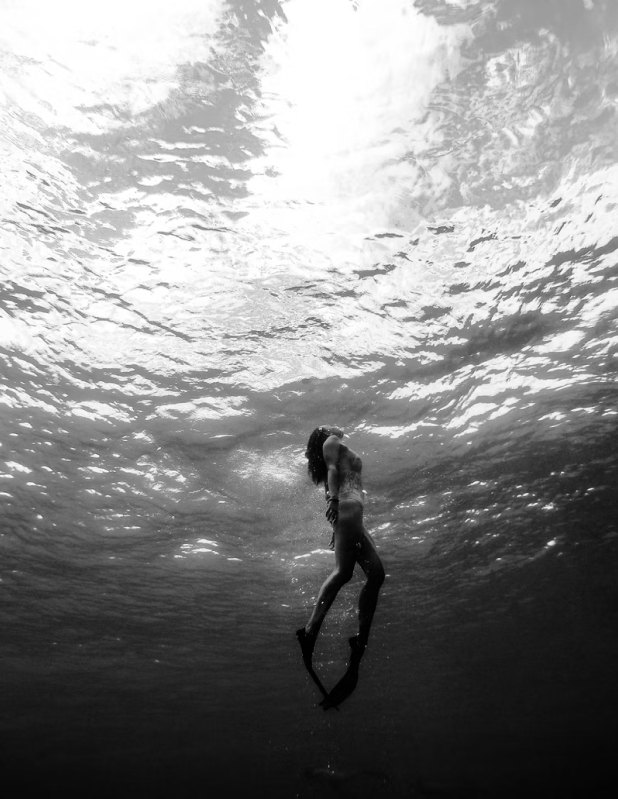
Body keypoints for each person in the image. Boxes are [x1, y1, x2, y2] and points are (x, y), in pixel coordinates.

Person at [296, 425, 385, 668]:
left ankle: (360, 639)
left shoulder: (334, 446)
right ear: (323, 432)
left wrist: (337, 527)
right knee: (343, 572)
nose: (336, 426)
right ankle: (310, 630)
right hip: (346, 506)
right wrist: (334, 502)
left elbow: (334, 475)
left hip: (352, 512)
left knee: (376, 574)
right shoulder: (331, 440)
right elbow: (333, 472)